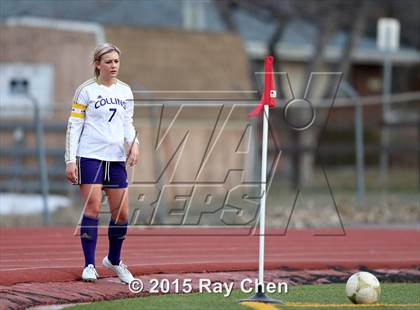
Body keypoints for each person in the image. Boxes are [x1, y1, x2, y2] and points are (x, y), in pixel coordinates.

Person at [64, 43, 139, 284]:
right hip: (90, 157)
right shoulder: (85, 90)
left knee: (122, 213)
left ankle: (114, 260)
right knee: (93, 208)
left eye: (116, 61)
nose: (113, 66)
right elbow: (74, 126)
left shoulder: (125, 91)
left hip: (116, 159)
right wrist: (70, 160)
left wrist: (134, 143)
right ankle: (88, 265)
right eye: (108, 62)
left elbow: (128, 122)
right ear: (98, 64)